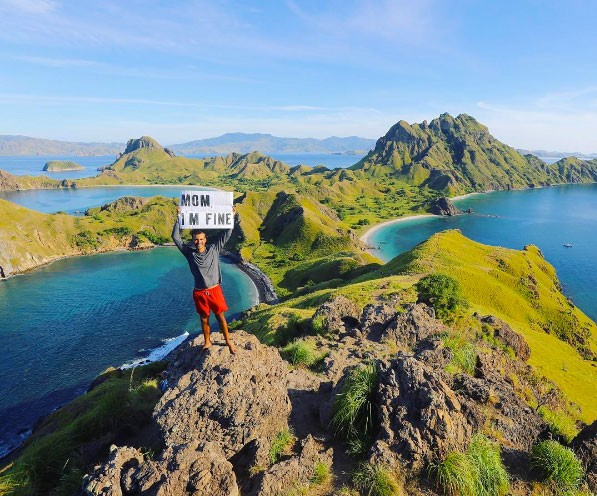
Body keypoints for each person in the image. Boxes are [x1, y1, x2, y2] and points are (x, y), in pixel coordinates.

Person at [172, 205, 238, 354]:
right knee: (204, 318)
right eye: (196, 240)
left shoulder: (214, 249)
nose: (199, 242)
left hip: (214, 290)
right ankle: (207, 341)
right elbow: (176, 238)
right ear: (193, 241)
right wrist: (179, 217)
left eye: (201, 239)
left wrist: (231, 216)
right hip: (199, 292)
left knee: (220, 317)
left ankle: (228, 341)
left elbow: (227, 234)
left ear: (205, 239)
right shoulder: (189, 253)